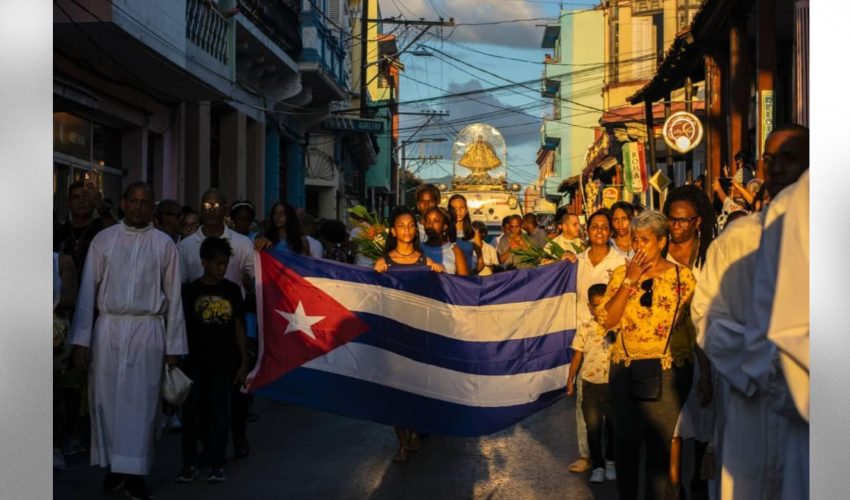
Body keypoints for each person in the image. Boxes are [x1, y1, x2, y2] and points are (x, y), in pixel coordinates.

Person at [70, 182, 187, 500]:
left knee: (142, 404)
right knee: (107, 401)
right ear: (123, 204)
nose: (138, 206)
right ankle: (115, 469)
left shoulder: (164, 245)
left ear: (152, 207)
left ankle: (136, 474)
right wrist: (81, 340)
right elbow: (87, 292)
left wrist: (174, 347)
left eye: (144, 202)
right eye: (132, 201)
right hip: (108, 330)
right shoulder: (103, 240)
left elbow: (174, 297)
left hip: (147, 331)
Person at [598, 210, 697, 500]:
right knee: (626, 445)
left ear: (662, 241)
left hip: (668, 370)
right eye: (634, 240)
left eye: (645, 240)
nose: (638, 246)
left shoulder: (683, 277)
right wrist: (630, 281)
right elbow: (608, 321)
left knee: (659, 449)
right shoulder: (621, 273)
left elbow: (693, 327)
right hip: (626, 368)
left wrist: (704, 374)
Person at [178, 189, 256, 460]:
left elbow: (257, 278)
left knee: (236, 393)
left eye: (216, 204)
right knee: (201, 396)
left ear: (225, 208)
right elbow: (180, 287)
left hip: (231, 327)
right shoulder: (186, 245)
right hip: (198, 333)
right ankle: (204, 446)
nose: (211, 208)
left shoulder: (242, 243)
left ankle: (239, 435)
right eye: (206, 204)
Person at [177, 237, 250, 484]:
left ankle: (216, 463)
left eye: (225, 264)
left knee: (219, 414)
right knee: (191, 414)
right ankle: (189, 464)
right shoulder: (190, 291)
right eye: (218, 264)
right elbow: (180, 325)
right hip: (194, 362)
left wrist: (243, 361)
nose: (222, 269)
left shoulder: (231, 290)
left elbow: (239, 325)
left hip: (224, 362)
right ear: (204, 262)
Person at [374, 207, 443, 463]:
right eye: (401, 225)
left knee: (418, 387)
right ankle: (402, 442)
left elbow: (439, 295)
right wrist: (376, 271)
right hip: (393, 335)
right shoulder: (384, 262)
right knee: (396, 390)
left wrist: (438, 273)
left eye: (411, 226)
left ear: (416, 231)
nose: (406, 230)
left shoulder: (425, 262)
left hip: (419, 335)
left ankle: (416, 431)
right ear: (393, 230)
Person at [662, 185, 718, 499]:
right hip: (669, 350)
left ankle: (699, 483)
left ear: (697, 221)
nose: (676, 226)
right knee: (672, 426)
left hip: (706, 350)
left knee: (702, 421)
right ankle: (674, 486)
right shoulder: (660, 252)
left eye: (684, 221)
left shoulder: (711, 251)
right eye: (672, 220)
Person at [567, 284, 617, 484]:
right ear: (590, 307)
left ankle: (611, 461)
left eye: (606, 305)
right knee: (593, 427)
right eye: (597, 306)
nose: (602, 310)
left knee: (613, 425)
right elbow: (577, 356)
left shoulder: (617, 327)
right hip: (589, 384)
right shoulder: (585, 328)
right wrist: (571, 379)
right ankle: (597, 465)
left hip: (612, 385)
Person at [419, 207, 470, 276]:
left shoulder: (455, 250)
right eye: (427, 221)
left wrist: (444, 274)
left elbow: (464, 282)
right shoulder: (418, 248)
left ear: (444, 226)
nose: (430, 225)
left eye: (436, 221)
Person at [448, 194, 484, 274]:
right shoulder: (444, 232)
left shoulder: (474, 233)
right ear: (449, 210)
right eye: (454, 208)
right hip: (448, 280)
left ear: (467, 210)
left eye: (461, 208)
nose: (458, 211)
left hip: (467, 281)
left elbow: (480, 262)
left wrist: (468, 276)